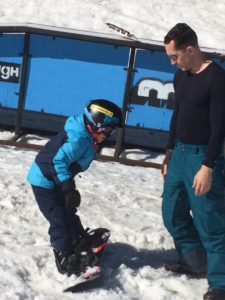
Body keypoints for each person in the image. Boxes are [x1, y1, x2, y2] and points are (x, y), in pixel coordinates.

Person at [161, 23, 225, 300]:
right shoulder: (181, 76)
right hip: (180, 154)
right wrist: (168, 152)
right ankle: (195, 262)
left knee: (210, 220)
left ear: (190, 49)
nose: (172, 62)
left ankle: (220, 284)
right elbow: (177, 115)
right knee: (172, 213)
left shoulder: (216, 79)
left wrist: (208, 166)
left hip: (203, 157)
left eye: (175, 56)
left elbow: (221, 127)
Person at [27, 99, 123, 277]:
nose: (110, 134)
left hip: (55, 179)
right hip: (44, 181)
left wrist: (67, 186)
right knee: (59, 219)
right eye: (109, 129)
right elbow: (57, 161)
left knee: (68, 211)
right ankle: (65, 256)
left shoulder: (85, 136)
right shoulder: (78, 139)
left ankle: (79, 239)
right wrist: (68, 187)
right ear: (98, 122)